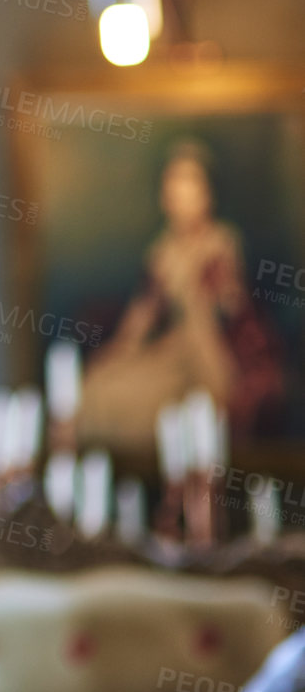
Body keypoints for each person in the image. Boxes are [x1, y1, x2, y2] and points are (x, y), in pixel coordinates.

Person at [79, 138, 285, 457]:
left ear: (207, 195)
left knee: (193, 403)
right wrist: (120, 348)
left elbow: (234, 305)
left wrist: (216, 294)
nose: (182, 199)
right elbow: (144, 311)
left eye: (191, 189)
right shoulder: (162, 250)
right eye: (175, 189)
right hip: (174, 347)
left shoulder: (222, 241)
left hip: (211, 346)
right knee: (105, 386)